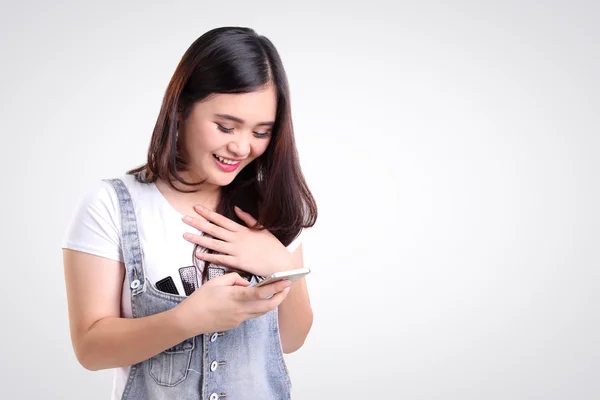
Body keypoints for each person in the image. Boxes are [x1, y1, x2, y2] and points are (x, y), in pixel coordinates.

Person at [62, 26, 318, 400]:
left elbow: (292, 340)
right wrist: (187, 319)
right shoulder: (111, 206)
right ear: (181, 108)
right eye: (225, 126)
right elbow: (90, 348)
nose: (242, 146)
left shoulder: (270, 207)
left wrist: (278, 262)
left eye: (261, 132)